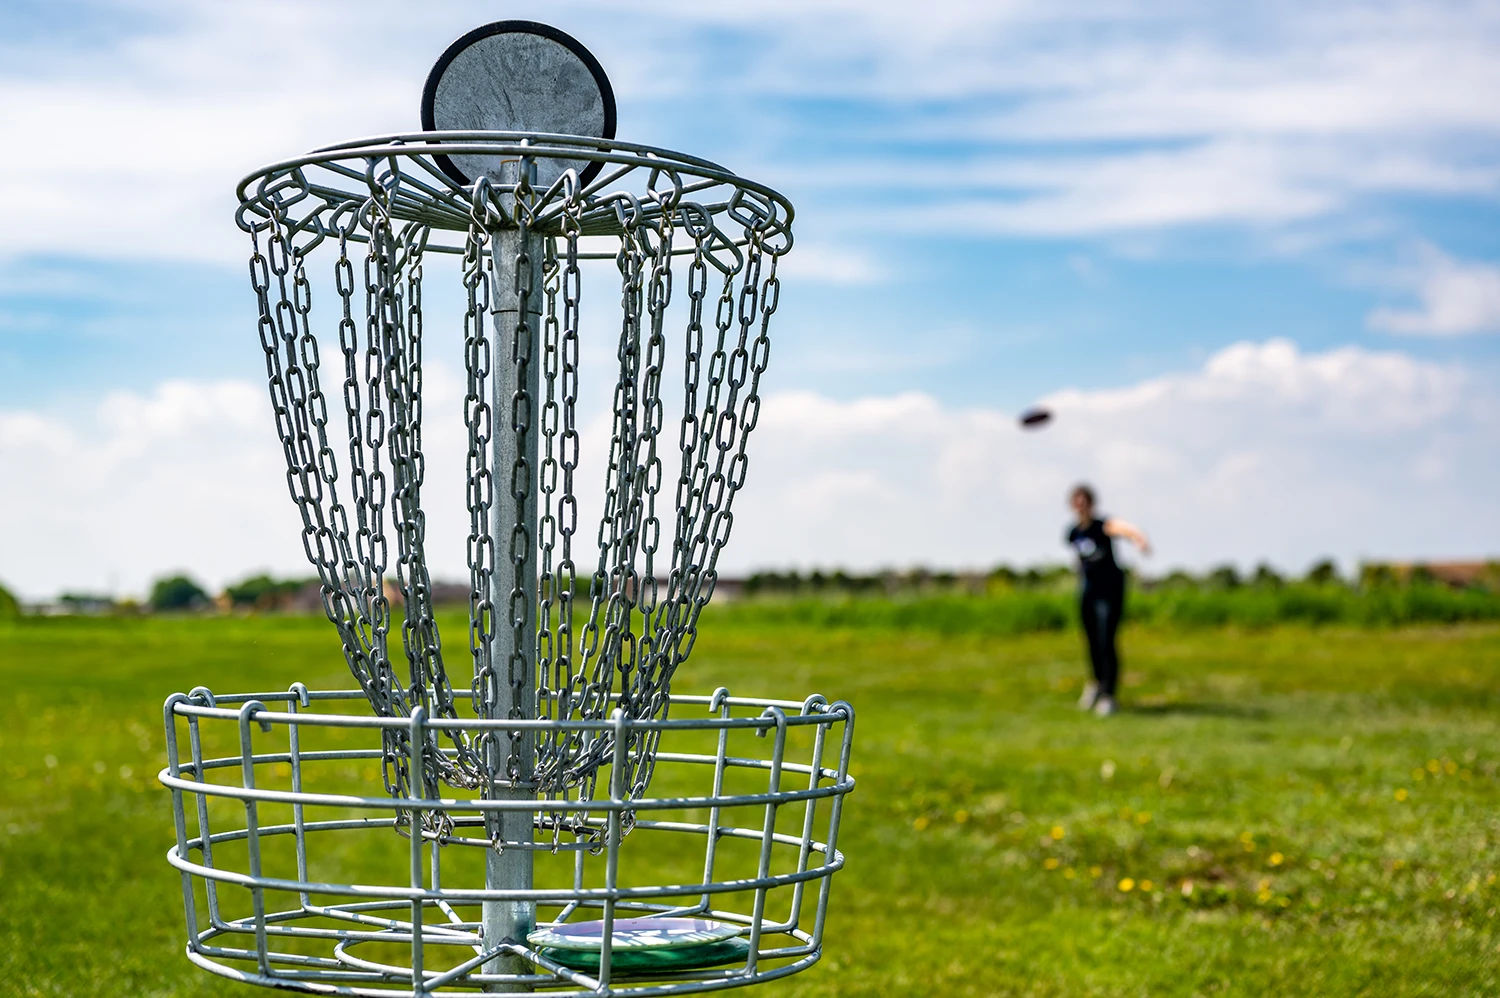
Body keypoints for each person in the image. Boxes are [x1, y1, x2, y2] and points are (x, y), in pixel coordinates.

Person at [1065, 484, 1150, 717]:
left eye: (1085, 500)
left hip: (1110, 591)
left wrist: (1139, 538)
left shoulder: (1103, 525)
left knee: (1106, 639)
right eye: (1077, 501)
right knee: (1091, 640)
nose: (1081, 505)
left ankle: (1108, 695)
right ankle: (1094, 684)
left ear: (1091, 503)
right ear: (1072, 504)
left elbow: (1123, 528)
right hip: (1087, 591)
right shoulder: (1073, 532)